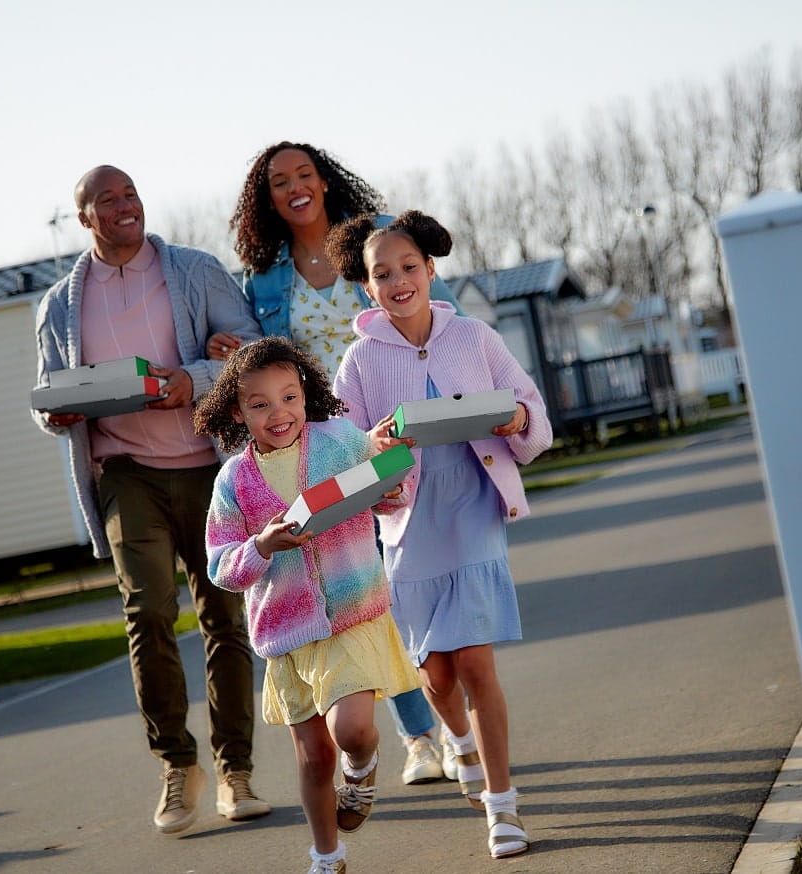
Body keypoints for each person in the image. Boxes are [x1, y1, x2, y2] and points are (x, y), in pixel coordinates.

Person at [212, 140, 461, 787]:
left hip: (375, 432)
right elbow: (257, 361)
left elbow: (430, 309)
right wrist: (225, 347)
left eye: (304, 175)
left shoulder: (375, 243)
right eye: (278, 182)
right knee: (359, 593)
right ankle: (420, 740)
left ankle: (442, 726)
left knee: (390, 593)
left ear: (324, 181)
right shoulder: (265, 278)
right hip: (314, 449)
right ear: (265, 201)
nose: (294, 188)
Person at [31, 165, 270, 836]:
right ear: (85, 219)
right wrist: (55, 417)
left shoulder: (194, 271)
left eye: (129, 193)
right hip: (125, 471)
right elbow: (48, 393)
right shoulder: (58, 305)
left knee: (225, 617)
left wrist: (191, 379)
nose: (122, 206)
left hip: (209, 468)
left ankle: (236, 770)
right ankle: (176, 762)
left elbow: (252, 349)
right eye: (105, 200)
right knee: (148, 611)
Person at [325, 211, 552, 860]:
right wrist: (376, 445)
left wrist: (515, 416)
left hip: (472, 506)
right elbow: (345, 448)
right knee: (436, 673)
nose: (398, 281)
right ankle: (456, 742)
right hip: (408, 523)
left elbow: (531, 412)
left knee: (477, 663)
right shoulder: (360, 359)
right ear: (366, 288)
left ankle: (502, 809)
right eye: (382, 274)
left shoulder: (474, 336)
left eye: (408, 267)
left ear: (430, 270)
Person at [195, 336, 421, 874]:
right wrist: (261, 547)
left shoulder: (339, 440)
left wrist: (392, 485)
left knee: (351, 732)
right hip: (288, 634)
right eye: (260, 404)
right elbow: (220, 564)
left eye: (289, 397)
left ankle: (361, 769)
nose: (279, 413)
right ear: (237, 410)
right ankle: (327, 855)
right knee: (314, 755)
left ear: (306, 395)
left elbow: (392, 487)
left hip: (353, 613)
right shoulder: (234, 482)